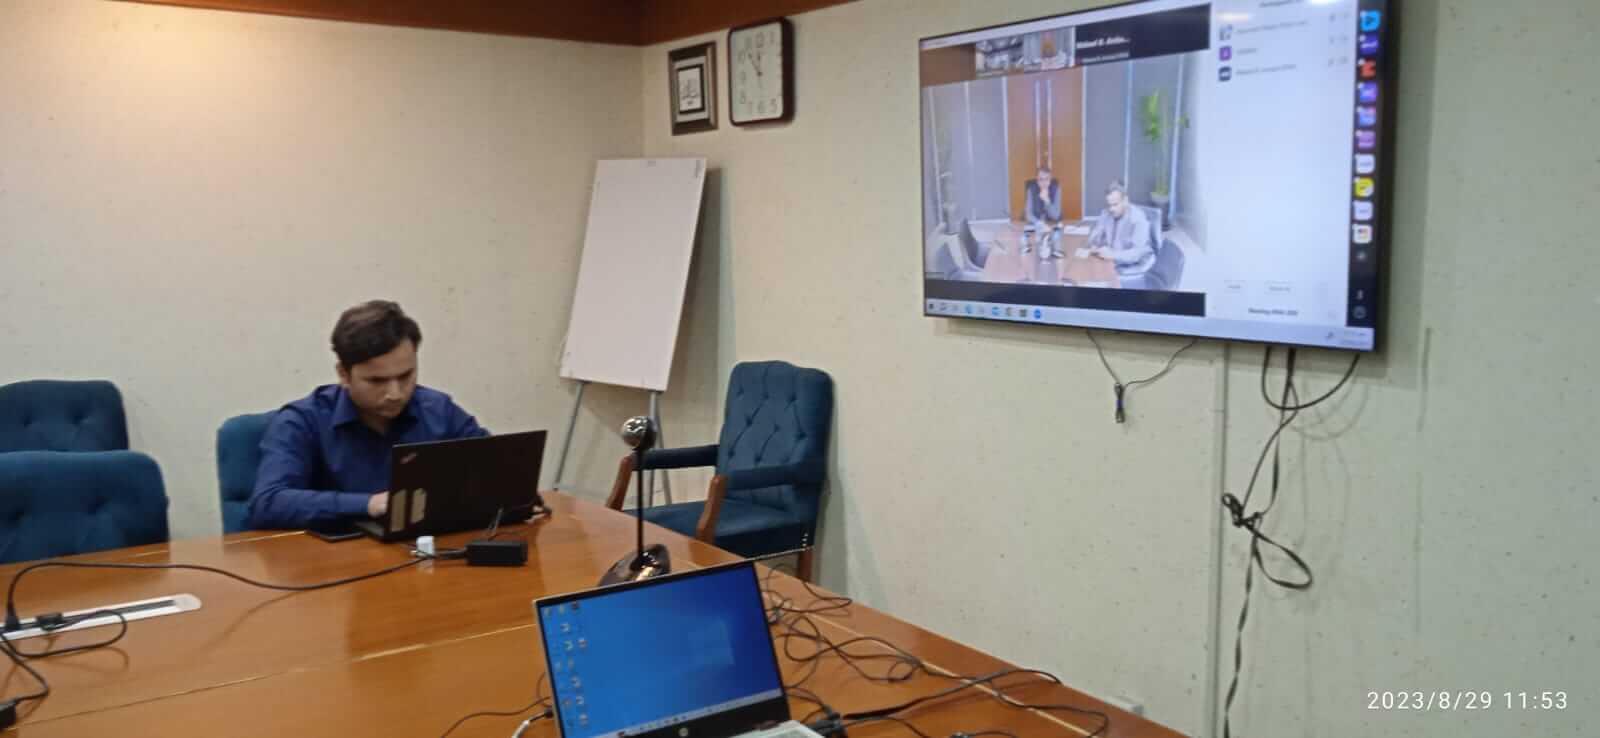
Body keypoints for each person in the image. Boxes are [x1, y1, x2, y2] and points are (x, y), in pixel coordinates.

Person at [247, 300, 489, 529]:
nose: (395, 394)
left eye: (405, 376)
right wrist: (368, 504)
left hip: (424, 547)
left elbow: (494, 470)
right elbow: (268, 503)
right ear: (344, 374)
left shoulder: (438, 410)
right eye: (377, 381)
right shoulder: (301, 420)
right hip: (339, 553)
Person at [1086, 181, 1156, 285]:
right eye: (1109, 205)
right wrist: (1095, 243)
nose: (1111, 209)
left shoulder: (1138, 219)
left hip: (1135, 268)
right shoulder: (1107, 213)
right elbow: (1095, 234)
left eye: (1115, 204)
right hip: (1114, 261)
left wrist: (1112, 254)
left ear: (1125, 201)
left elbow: (1136, 254)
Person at [1022, 166, 1063, 257]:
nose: (1044, 182)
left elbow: (1056, 215)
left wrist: (1047, 201)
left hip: (1052, 225)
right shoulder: (1031, 189)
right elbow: (1028, 213)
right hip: (1036, 225)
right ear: (1037, 180)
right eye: (1041, 179)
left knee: (1056, 243)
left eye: (1046, 179)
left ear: (1050, 180)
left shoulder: (1056, 189)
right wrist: (1038, 223)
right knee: (1029, 248)